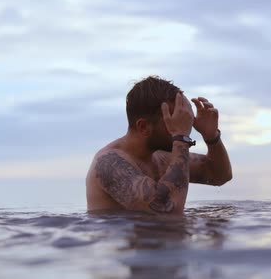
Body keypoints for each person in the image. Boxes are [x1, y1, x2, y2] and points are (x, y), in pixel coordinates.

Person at [86, 76, 232, 214]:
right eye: (173, 120)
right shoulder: (109, 163)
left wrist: (212, 137)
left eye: (183, 119)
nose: (183, 126)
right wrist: (181, 137)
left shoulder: (161, 157)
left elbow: (219, 176)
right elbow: (168, 210)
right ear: (143, 127)